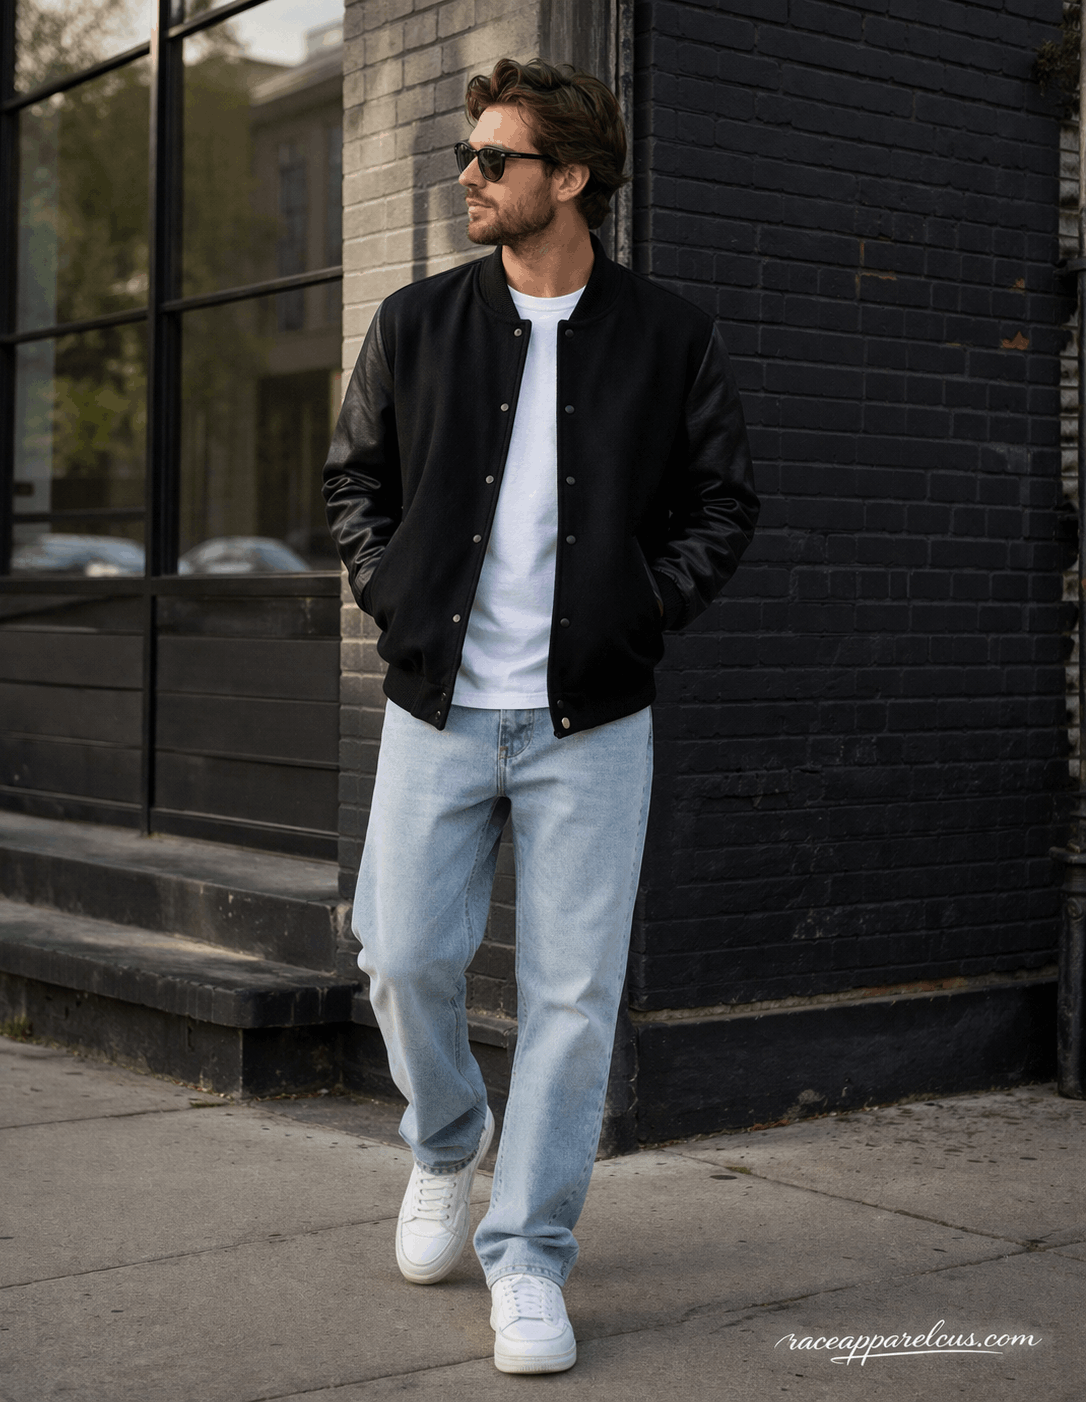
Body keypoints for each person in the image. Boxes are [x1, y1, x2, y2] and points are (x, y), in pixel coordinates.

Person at [322, 57, 758, 1375]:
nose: (469, 176)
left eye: (493, 160)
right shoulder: (415, 322)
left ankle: (527, 1257)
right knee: (398, 952)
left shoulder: (668, 336)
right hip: (438, 705)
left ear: (568, 180)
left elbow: (723, 506)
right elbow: (357, 484)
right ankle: (447, 1141)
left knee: (573, 1000)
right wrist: (394, 600)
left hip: (592, 722)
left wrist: (636, 611)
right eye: (468, 156)